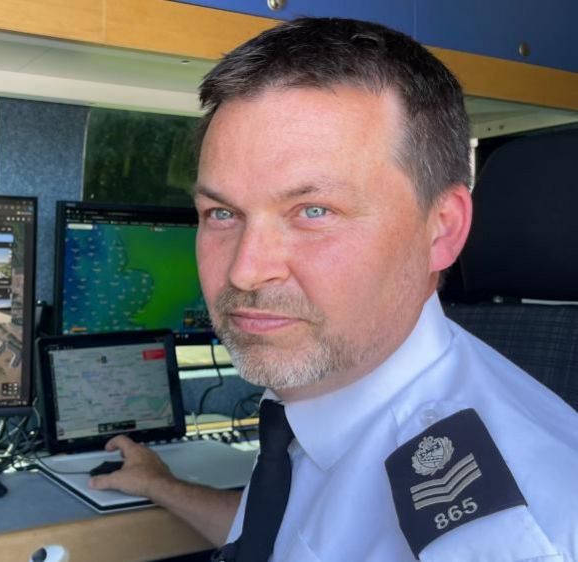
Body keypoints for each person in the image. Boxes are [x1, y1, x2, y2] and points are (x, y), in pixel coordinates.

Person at [88, 17, 578, 561]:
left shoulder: (509, 535)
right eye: (222, 213)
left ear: (441, 230)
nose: (245, 272)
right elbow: (290, 537)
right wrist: (163, 485)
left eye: (314, 211)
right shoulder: (328, 389)